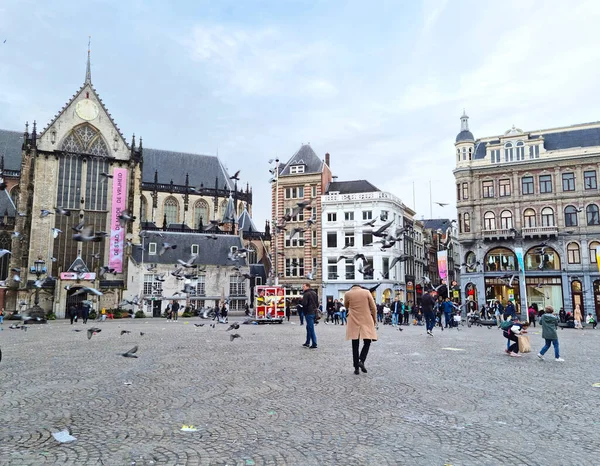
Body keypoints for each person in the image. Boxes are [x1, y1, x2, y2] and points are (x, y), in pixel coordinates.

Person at [344, 284, 377, 375]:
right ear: (360, 287)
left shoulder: (348, 294)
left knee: (355, 344)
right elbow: (373, 308)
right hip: (366, 320)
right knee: (367, 341)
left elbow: (346, 305)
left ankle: (356, 368)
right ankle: (361, 360)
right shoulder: (366, 292)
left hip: (353, 320)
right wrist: (374, 319)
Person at [300, 283, 319, 349]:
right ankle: (307, 342)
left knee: (310, 328)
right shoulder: (314, 293)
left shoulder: (306, 294)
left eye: (304, 286)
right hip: (314, 311)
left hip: (309, 312)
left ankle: (314, 343)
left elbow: (304, 303)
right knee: (308, 327)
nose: (303, 287)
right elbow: (317, 303)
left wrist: (301, 301)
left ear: (308, 287)